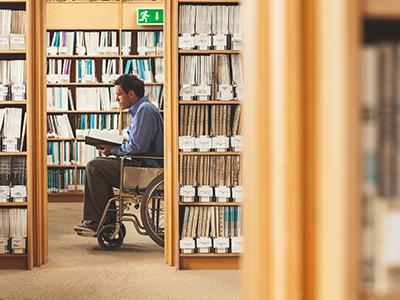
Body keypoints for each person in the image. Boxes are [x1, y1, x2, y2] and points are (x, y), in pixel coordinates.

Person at [74, 74, 163, 233]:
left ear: (131, 94)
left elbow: (138, 146)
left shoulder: (145, 111)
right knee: (98, 166)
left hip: (146, 169)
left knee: (95, 167)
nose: (117, 99)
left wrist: (113, 150)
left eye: (119, 94)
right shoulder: (142, 110)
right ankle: (104, 220)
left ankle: (98, 221)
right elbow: (137, 143)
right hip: (140, 164)